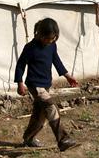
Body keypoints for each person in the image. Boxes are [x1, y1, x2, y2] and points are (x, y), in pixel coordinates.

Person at [15, 18, 80, 151]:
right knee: (51, 108)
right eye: (48, 38)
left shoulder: (52, 45)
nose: (51, 41)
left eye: (53, 38)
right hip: (35, 85)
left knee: (40, 115)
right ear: (40, 34)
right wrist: (20, 83)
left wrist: (67, 76)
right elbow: (20, 65)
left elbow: (56, 60)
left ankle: (29, 138)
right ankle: (63, 139)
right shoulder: (30, 48)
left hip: (45, 85)